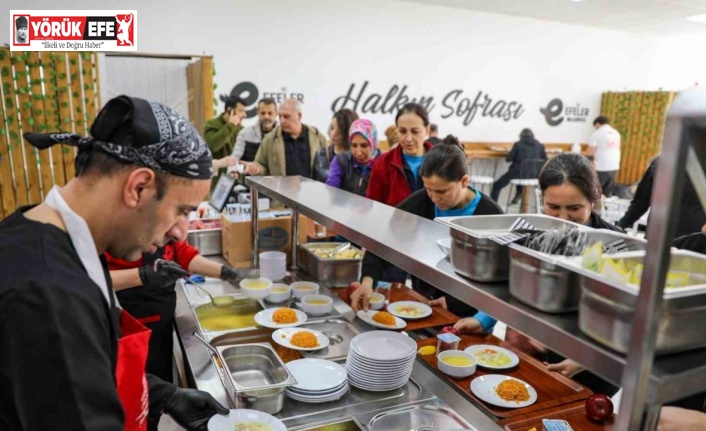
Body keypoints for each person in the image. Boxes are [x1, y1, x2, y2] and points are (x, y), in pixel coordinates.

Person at [0, 95, 228, 430]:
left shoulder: (51, 239)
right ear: (138, 187)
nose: (181, 234)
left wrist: (163, 395)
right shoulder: (48, 297)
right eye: (182, 211)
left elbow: (85, 367)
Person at [350, 137, 503, 330]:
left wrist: (482, 320)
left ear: (464, 181)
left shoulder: (490, 215)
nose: (434, 198)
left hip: (471, 318)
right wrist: (367, 281)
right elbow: (383, 240)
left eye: (442, 191)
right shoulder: (421, 202)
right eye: (429, 190)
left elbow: (501, 282)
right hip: (425, 308)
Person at [107, 238, 242, 385]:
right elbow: (94, 279)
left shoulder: (166, 229)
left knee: (161, 381)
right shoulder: (115, 237)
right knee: (135, 384)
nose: (177, 232)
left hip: (162, 327)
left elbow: (183, 254)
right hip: (129, 331)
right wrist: (144, 275)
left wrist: (226, 273)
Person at [617, 156, 706, 238]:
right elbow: (641, 202)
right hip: (665, 238)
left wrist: (621, 225)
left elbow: (640, 202)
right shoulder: (659, 164)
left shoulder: (660, 163)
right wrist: (621, 225)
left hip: (663, 239)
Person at [366, 103, 434, 207]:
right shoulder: (383, 164)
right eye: (402, 131)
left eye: (415, 132)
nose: (408, 139)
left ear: (427, 130)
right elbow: (373, 206)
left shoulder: (440, 162)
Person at [243, 99, 327, 177]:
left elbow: (327, 168)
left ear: (299, 116)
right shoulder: (270, 139)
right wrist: (256, 169)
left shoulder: (317, 138)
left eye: (286, 116)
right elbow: (261, 165)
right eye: (280, 116)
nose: (282, 121)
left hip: (311, 191)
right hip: (280, 192)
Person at [326, 119, 381, 196]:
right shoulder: (341, 160)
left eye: (364, 145)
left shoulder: (384, 165)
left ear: (373, 143)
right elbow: (331, 188)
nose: (358, 152)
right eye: (354, 146)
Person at [490, 128, 547, 203]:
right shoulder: (540, 146)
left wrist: (510, 152)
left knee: (496, 186)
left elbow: (508, 159)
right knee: (522, 174)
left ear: (521, 136)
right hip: (534, 175)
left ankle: (493, 207)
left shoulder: (518, 144)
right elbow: (545, 160)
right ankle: (520, 191)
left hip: (518, 174)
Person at [204, 95, 247, 186]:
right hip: (218, 183)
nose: (244, 115)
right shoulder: (212, 125)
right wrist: (230, 125)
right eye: (241, 111)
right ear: (229, 110)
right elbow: (213, 145)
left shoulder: (242, 130)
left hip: (238, 182)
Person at [313, 109, 358, 182]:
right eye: (332, 128)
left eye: (340, 130)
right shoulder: (321, 154)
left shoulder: (357, 157)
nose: (333, 134)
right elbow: (313, 183)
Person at [232, 98, 278, 163]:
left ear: (276, 114)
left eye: (270, 113)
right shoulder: (244, 133)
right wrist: (233, 171)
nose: (266, 117)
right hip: (251, 172)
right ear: (258, 113)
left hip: (277, 173)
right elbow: (235, 156)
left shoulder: (284, 134)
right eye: (263, 113)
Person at [586, 116, 621, 197]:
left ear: (598, 124)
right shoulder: (616, 133)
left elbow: (590, 151)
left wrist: (587, 160)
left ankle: (595, 208)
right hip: (614, 165)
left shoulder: (597, 133)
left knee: (596, 191)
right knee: (608, 191)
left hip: (601, 166)